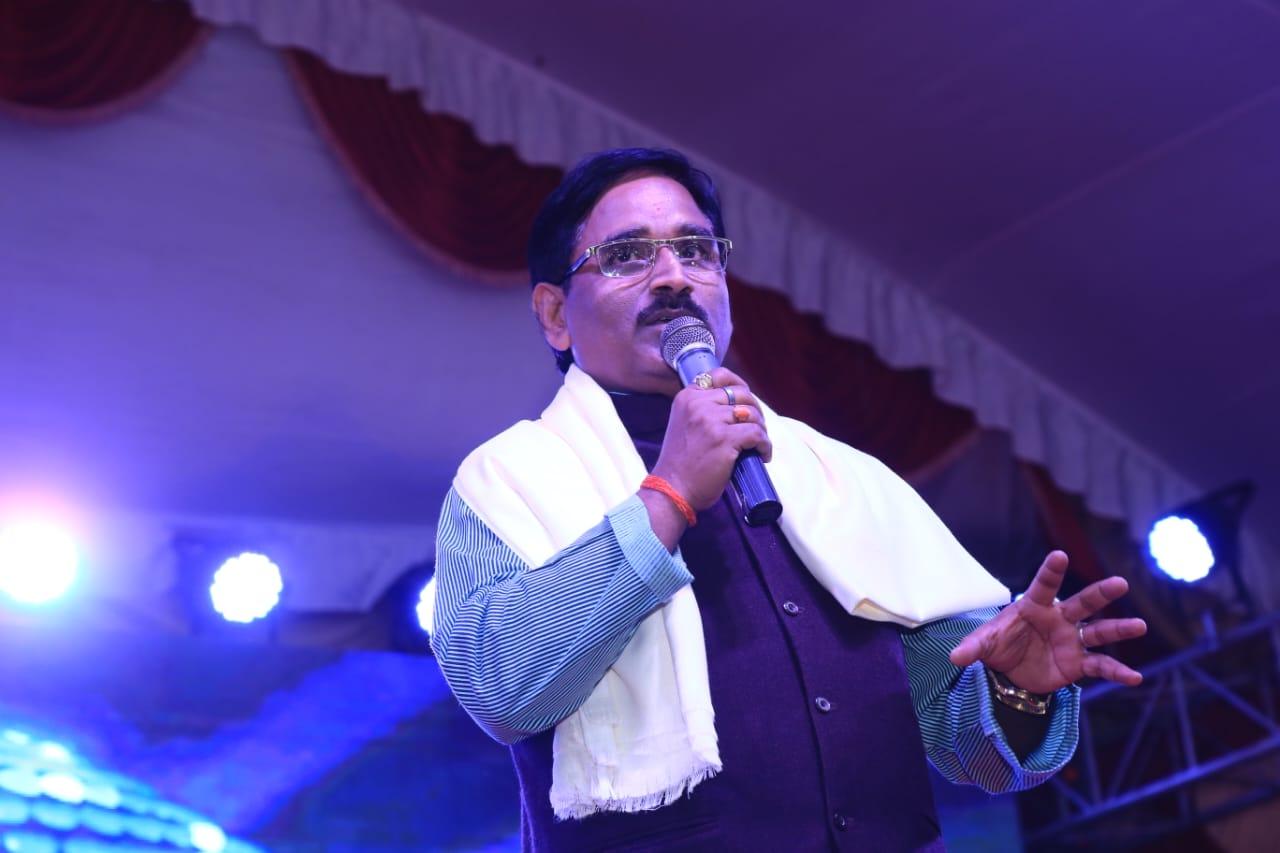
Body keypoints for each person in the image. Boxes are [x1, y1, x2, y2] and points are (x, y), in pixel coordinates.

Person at [426, 148, 1147, 851]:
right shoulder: (507, 480)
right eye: (628, 255)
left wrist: (1017, 690)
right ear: (555, 314)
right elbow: (501, 690)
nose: (673, 276)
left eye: (696, 251)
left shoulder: (839, 475)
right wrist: (669, 493)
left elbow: (972, 750)